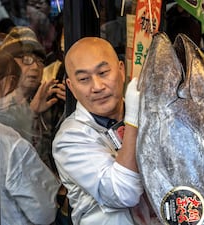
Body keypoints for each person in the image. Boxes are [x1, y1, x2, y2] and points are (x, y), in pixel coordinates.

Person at [52, 37, 150, 224]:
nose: (97, 87)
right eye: (83, 79)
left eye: (103, 72)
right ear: (71, 87)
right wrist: (133, 120)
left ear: (121, 70)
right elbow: (124, 193)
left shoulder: (147, 114)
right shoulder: (70, 138)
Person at [0, 26, 66, 171]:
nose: (35, 66)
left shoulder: (50, 96)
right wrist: (31, 112)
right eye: (27, 59)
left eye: (40, 61)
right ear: (9, 62)